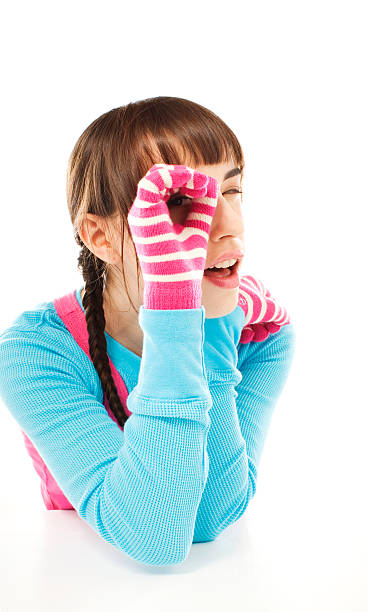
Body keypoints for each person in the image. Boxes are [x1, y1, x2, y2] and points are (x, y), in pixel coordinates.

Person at [0, 96, 296, 566]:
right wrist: (177, 311)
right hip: (70, 574)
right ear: (100, 237)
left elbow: (209, 519)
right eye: (179, 202)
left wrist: (215, 328)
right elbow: (152, 535)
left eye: (231, 191)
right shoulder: (35, 353)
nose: (230, 228)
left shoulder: (260, 333)